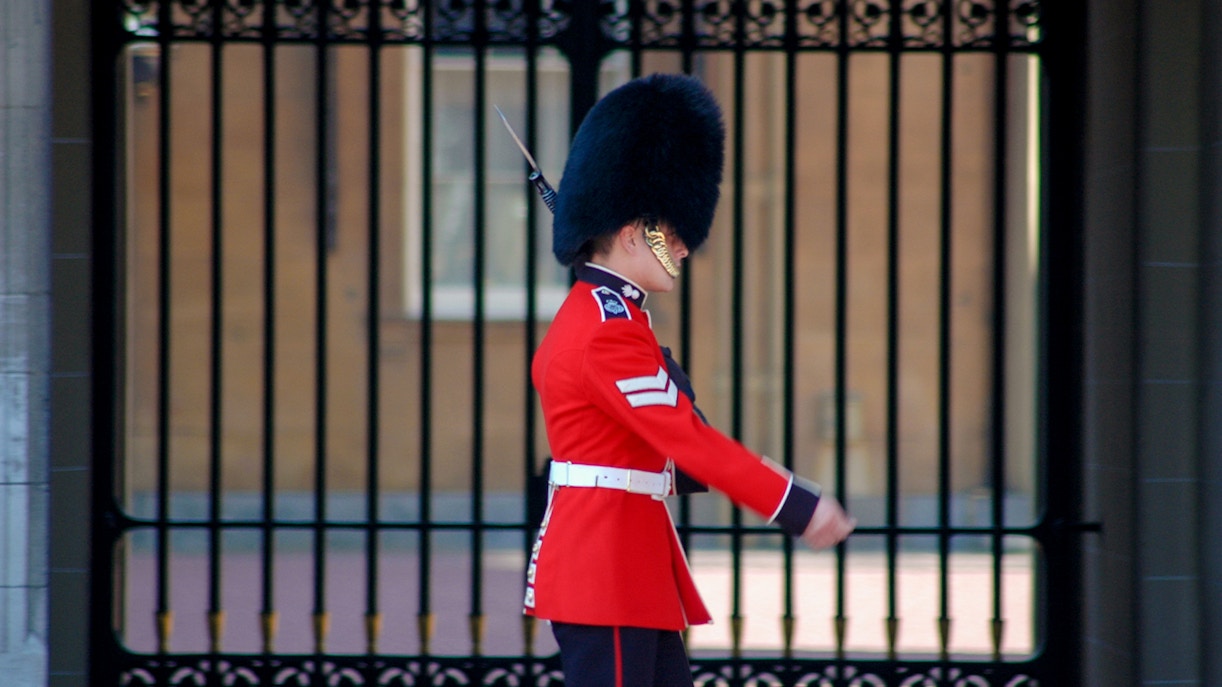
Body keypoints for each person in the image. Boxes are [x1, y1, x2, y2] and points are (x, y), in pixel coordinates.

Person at [523, 73, 855, 686]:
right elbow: (685, 439)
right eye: (667, 235)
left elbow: (648, 448)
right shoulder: (606, 330)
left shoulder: (612, 319)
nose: (680, 248)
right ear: (629, 235)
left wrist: (764, 472)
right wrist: (793, 505)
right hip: (608, 570)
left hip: (629, 565)